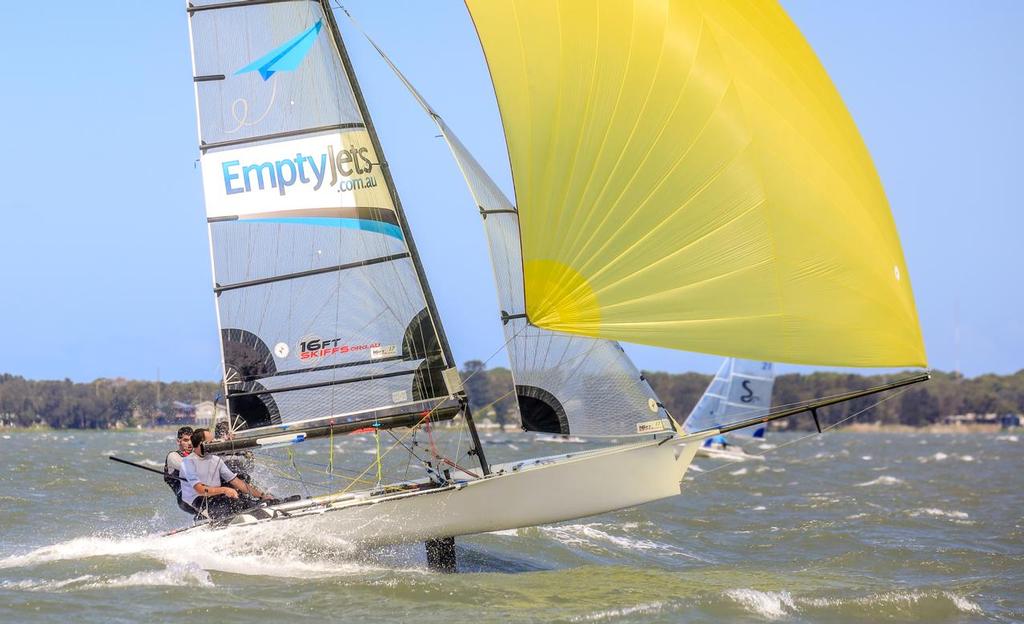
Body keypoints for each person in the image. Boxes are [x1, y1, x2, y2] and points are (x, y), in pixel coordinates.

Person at [180, 428, 273, 519]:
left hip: (218, 495)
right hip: (199, 499)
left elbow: (236, 481)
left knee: (244, 502)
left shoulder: (216, 459)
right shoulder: (188, 462)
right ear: (201, 444)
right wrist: (225, 490)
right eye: (211, 442)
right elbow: (199, 489)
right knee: (230, 508)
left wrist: (261, 495)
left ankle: (265, 506)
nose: (215, 445)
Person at [164, 426, 195, 514]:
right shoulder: (173, 456)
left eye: (192, 439)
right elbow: (189, 468)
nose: (190, 443)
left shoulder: (196, 454)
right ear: (178, 441)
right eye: (186, 440)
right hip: (184, 498)